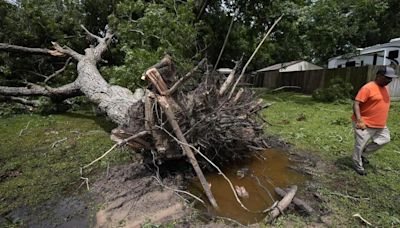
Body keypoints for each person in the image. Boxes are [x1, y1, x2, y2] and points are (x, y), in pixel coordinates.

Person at [352, 66, 398, 175]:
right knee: (360, 144)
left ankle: (363, 154)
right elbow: (356, 103)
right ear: (379, 76)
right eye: (387, 78)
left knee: (385, 139)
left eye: (391, 78)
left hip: (380, 124)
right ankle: (357, 164)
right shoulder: (368, 88)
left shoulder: (385, 88)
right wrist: (359, 120)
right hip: (365, 123)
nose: (389, 80)